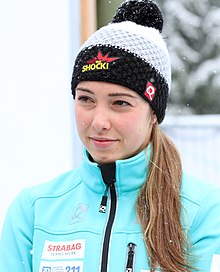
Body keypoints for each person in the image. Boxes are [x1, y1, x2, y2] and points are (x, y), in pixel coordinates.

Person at [1, 0, 220, 271]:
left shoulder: (204, 211)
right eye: (86, 99)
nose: (99, 121)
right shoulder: (34, 211)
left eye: (120, 103)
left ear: (153, 113)